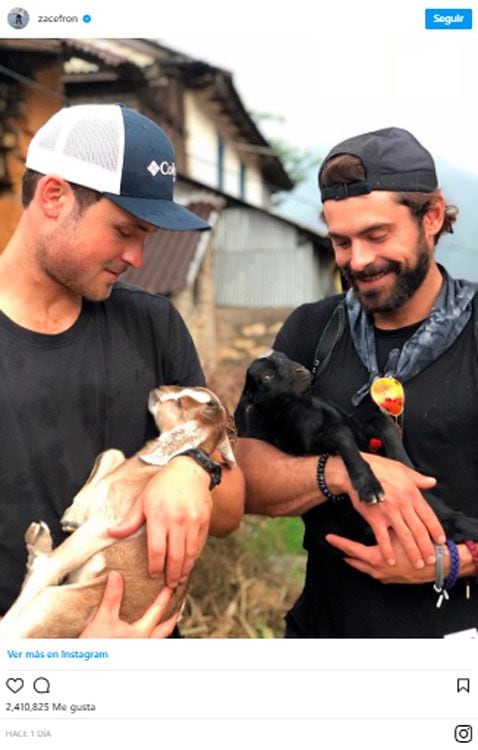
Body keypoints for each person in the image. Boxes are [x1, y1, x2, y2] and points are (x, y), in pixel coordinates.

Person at [0, 103, 244, 637]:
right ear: (54, 197)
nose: (136, 257)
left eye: (146, 237)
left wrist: (190, 466)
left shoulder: (151, 323)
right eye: (123, 230)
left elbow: (229, 512)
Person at [235, 127, 478, 637]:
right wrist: (344, 471)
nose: (358, 260)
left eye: (376, 235)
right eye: (341, 241)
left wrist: (456, 563)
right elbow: (247, 475)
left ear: (431, 217)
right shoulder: (310, 331)